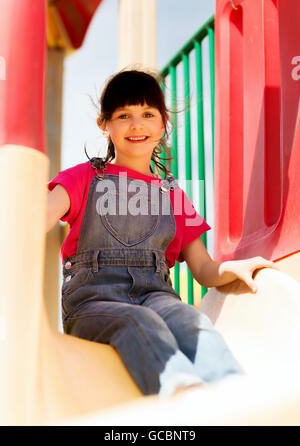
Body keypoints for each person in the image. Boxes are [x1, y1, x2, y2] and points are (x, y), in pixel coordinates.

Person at [46, 68, 277, 397]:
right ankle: (183, 393)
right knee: (140, 322)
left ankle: (235, 393)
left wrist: (234, 268)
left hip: (157, 296)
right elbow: (39, 213)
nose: (136, 124)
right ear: (104, 124)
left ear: (162, 123)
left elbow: (204, 270)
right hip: (94, 303)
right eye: (123, 115)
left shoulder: (172, 196)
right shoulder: (84, 178)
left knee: (190, 321)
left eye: (147, 114)